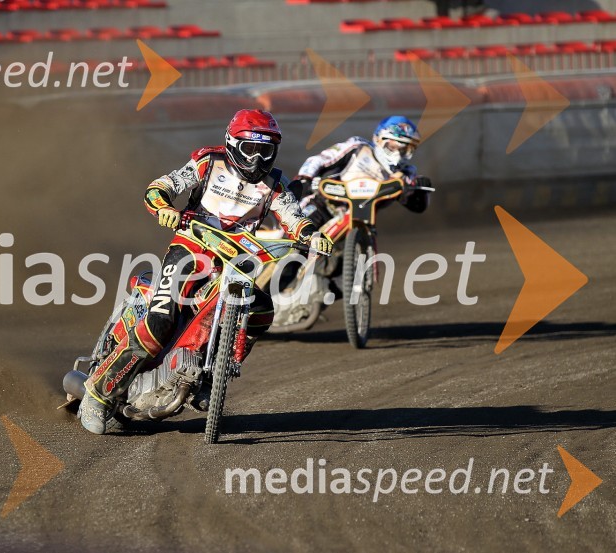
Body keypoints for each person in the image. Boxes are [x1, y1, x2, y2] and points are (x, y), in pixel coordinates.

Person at [79, 109, 332, 435]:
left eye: (265, 151)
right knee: (160, 321)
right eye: (249, 149)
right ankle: (98, 393)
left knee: (261, 311)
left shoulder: (277, 185)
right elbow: (162, 186)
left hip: (237, 262)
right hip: (189, 250)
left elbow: (295, 218)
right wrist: (164, 207)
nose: (256, 159)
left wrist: (312, 234)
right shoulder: (207, 164)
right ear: (231, 144)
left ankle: (216, 373)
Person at [291, 116, 434, 230]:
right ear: (378, 139)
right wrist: (304, 178)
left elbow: (418, 206)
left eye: (404, 150)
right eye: (392, 147)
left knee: (343, 264)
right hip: (322, 204)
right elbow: (318, 159)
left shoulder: (405, 173)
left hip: (360, 222)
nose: (397, 155)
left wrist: (420, 189)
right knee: (296, 241)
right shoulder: (357, 147)